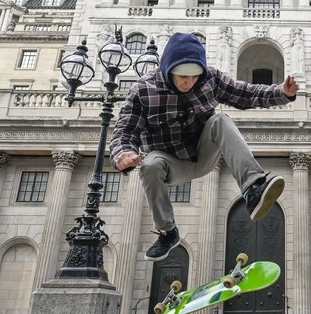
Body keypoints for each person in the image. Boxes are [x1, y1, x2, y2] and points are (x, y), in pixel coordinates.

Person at [111, 32, 299, 261]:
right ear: (168, 69)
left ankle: (253, 188)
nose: (188, 82)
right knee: (149, 164)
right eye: (182, 77)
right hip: (170, 163)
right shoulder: (143, 90)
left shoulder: (210, 78)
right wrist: (122, 153)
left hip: (203, 154)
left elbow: (245, 94)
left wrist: (281, 93)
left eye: (194, 77)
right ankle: (168, 232)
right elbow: (125, 130)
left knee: (220, 120)